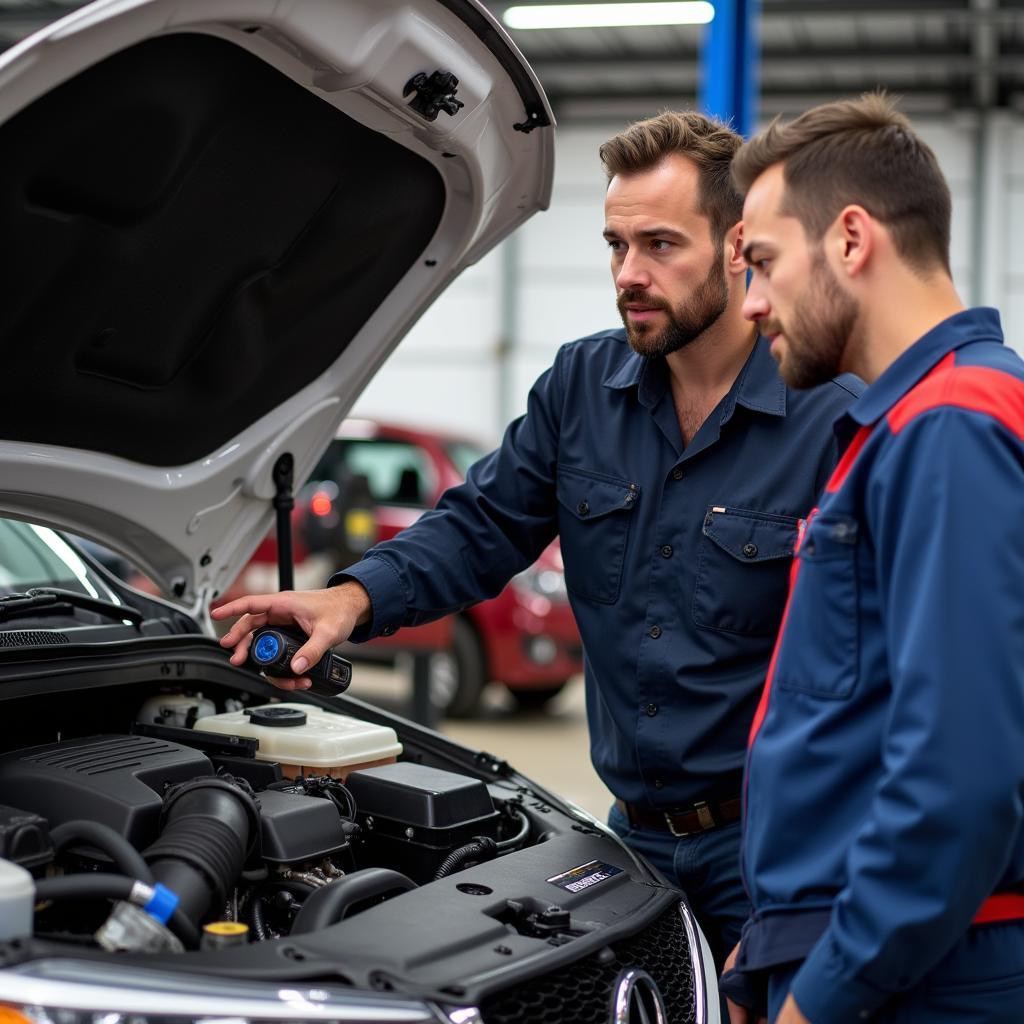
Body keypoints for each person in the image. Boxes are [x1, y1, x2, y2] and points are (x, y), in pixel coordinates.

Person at [214, 111, 860, 969]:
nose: (629, 274)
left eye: (661, 245)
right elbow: (481, 525)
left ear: (740, 246)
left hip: (782, 853)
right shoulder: (581, 388)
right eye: (615, 245)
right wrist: (352, 597)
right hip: (628, 836)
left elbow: (877, 670)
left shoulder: (834, 415)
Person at [721, 93, 1024, 1024]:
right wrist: (768, 945)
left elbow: (958, 774)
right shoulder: (911, 422)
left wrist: (827, 989)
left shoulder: (952, 426)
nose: (752, 304)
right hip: (872, 946)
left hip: (921, 978)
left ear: (851, 239)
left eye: (764, 263)